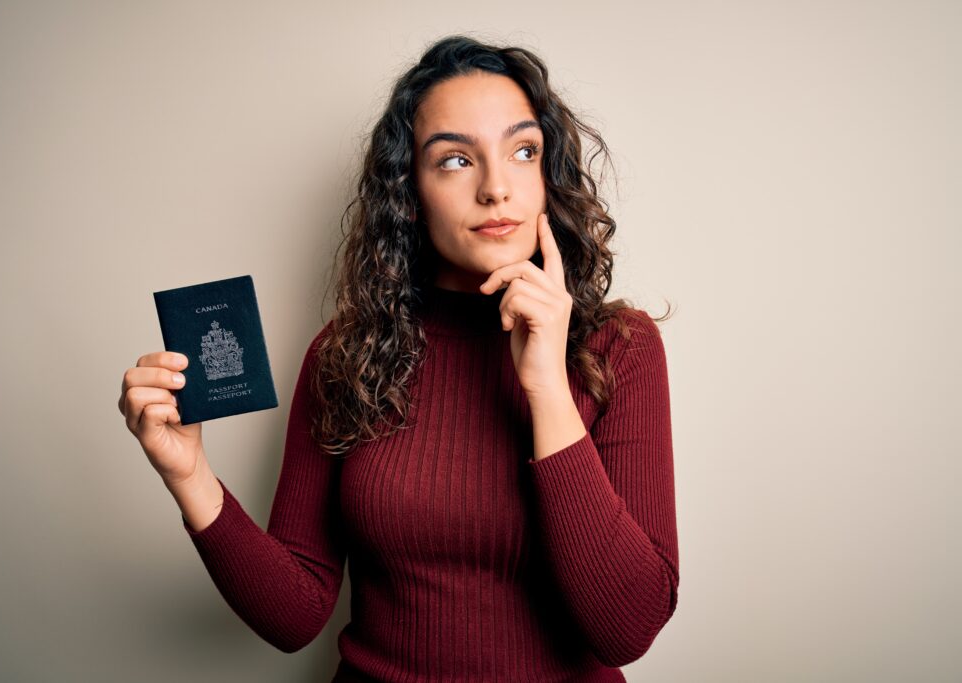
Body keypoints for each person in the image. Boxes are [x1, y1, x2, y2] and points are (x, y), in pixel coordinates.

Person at [118, 34, 678, 682]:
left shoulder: (620, 349)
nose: (496, 187)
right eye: (455, 161)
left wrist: (548, 385)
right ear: (409, 195)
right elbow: (296, 614)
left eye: (522, 151)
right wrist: (189, 475)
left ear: (547, 178)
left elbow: (627, 627)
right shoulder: (343, 356)